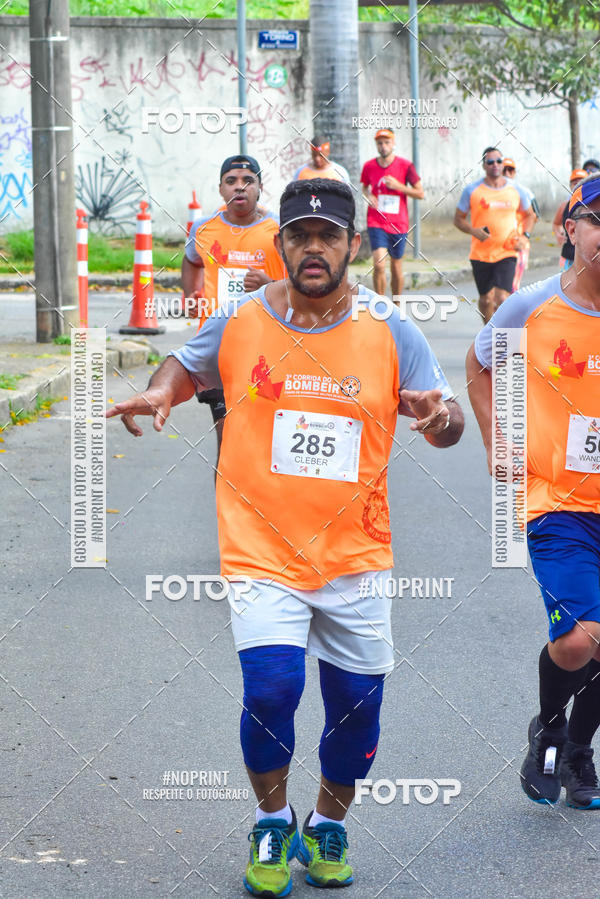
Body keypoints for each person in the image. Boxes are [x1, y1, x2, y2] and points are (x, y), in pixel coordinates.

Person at [108, 178, 464, 895]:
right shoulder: (240, 318)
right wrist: (161, 390)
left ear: (352, 245)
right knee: (272, 688)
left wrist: (437, 419)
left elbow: (449, 422)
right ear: (281, 244)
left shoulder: (391, 326)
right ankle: (272, 819)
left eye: (328, 236)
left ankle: (327, 823)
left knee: (357, 705)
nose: (313, 248)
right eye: (300, 236)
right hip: (259, 547)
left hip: (355, 553)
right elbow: (187, 362)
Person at [466, 172, 600, 810]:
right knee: (580, 638)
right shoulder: (531, 307)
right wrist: (496, 438)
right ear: (571, 229)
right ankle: (549, 726)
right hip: (557, 501)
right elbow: (479, 364)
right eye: (598, 220)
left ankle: (576, 751)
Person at [181, 154, 286, 449]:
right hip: (218, 346)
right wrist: (190, 295)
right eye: (231, 181)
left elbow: (303, 287)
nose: (239, 187)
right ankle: (228, 481)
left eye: (248, 181)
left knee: (263, 438)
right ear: (220, 189)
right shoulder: (202, 229)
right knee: (227, 437)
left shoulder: (280, 231)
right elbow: (191, 260)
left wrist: (269, 286)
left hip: (266, 348)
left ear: (260, 187)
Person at [454, 146, 536, 323]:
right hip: (480, 254)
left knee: (502, 298)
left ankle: (501, 334)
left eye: (499, 161)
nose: (495, 165)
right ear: (484, 165)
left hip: (507, 251)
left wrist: (525, 237)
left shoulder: (516, 189)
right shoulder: (472, 190)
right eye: (490, 162)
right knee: (486, 299)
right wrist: (473, 230)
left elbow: (530, 215)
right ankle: (488, 330)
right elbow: (458, 219)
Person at [360, 128, 424, 297]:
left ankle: (396, 303)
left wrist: (398, 186)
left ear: (393, 143)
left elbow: (420, 193)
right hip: (376, 220)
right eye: (380, 143)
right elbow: (364, 188)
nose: (383, 146)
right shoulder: (369, 166)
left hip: (398, 223)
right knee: (379, 264)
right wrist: (369, 196)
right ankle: (380, 303)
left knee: (396, 265)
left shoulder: (406, 166)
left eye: (387, 142)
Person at [502, 158, 540, 291]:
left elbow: (535, 215)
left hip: (518, 244)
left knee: (512, 286)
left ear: (514, 172)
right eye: (504, 170)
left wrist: (524, 236)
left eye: (510, 170)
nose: (507, 173)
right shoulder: (493, 193)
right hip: (499, 246)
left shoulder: (524, 192)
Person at [552, 169, 587, 270]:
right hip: (568, 257)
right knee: (565, 280)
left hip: (589, 259)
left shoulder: (594, 206)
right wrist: (558, 234)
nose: (577, 184)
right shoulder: (564, 206)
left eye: (581, 182)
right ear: (570, 186)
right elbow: (556, 224)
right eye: (574, 182)